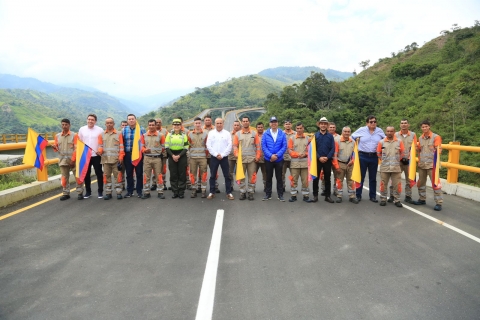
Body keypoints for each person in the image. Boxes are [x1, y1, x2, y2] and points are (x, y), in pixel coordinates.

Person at [351, 115, 385, 202]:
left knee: (373, 178)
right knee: (360, 177)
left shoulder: (379, 131)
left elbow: (385, 140)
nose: (373, 123)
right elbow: (352, 137)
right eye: (371, 122)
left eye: (374, 122)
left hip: (374, 156)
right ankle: (358, 195)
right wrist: (355, 146)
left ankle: (372, 196)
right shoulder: (361, 130)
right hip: (362, 156)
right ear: (367, 123)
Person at [413, 120, 443, 211]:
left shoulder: (436, 137)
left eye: (426, 126)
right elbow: (419, 150)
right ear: (421, 128)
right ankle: (422, 199)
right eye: (423, 127)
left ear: (429, 126)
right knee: (421, 183)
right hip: (422, 164)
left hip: (432, 165)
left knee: (435, 184)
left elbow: (439, 150)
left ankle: (439, 203)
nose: (424, 128)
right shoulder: (420, 138)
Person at [388, 119, 416, 204]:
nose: (404, 125)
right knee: (395, 179)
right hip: (397, 161)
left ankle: (408, 196)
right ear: (400, 125)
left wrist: (409, 158)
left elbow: (414, 148)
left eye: (405, 123)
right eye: (402, 123)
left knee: (409, 179)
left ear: (408, 125)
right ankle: (392, 195)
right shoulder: (395, 135)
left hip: (408, 161)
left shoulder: (413, 135)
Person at [233, 116, 261, 200]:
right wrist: (237, 155)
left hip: (252, 159)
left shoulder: (254, 134)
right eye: (244, 121)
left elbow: (258, 147)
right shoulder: (237, 134)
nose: (245, 122)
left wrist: (258, 156)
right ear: (241, 122)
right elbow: (235, 146)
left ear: (249, 122)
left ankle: (251, 192)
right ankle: (242, 192)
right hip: (241, 159)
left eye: (246, 121)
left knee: (252, 176)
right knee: (241, 177)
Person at [52, 119, 81, 200]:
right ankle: (65, 193)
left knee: (77, 177)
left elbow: (76, 149)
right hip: (62, 160)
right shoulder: (57, 136)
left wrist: (73, 160)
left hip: (73, 160)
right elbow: (56, 148)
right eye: (63, 124)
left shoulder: (74, 135)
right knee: (64, 178)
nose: (64, 126)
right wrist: (54, 147)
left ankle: (80, 192)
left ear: (69, 125)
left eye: (66, 124)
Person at [206, 118, 234, 200]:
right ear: (215, 124)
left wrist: (222, 155)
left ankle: (229, 192)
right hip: (214, 157)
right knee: (212, 175)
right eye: (217, 123)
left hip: (224, 157)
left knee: (227, 175)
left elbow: (229, 146)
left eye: (220, 123)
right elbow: (208, 145)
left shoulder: (227, 133)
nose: (219, 125)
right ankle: (212, 192)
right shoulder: (211, 133)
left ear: (223, 124)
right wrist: (215, 154)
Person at [97, 117, 125, 200]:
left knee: (118, 176)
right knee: (106, 177)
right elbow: (100, 146)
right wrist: (100, 151)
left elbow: (121, 147)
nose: (109, 124)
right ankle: (108, 193)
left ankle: (119, 192)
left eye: (111, 123)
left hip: (116, 160)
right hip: (105, 160)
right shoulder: (101, 135)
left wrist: (121, 157)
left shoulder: (119, 134)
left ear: (113, 124)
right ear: (105, 124)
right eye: (107, 123)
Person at [377, 126, 405, 207]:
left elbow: (402, 153)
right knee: (383, 184)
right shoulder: (381, 142)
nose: (389, 133)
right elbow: (378, 153)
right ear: (386, 132)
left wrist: (396, 160)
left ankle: (397, 200)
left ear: (394, 132)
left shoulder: (399, 142)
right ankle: (383, 199)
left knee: (397, 184)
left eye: (391, 131)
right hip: (385, 168)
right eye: (388, 131)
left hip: (396, 167)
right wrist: (384, 160)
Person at [77, 114, 104, 199]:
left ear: (95, 121)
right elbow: (79, 142)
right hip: (85, 155)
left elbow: (102, 142)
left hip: (96, 155)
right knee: (86, 174)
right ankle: (88, 191)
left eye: (92, 120)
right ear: (86, 120)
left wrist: (100, 151)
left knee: (99, 173)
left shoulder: (100, 130)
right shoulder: (82, 129)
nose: (90, 121)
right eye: (89, 119)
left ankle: (100, 191)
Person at [261, 116, 287, 201]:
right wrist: (270, 156)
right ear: (270, 124)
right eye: (272, 122)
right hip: (268, 159)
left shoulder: (282, 133)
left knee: (279, 178)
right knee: (269, 177)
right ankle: (268, 194)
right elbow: (264, 146)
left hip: (279, 160)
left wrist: (277, 155)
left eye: (275, 122)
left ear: (277, 123)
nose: (274, 123)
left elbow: (284, 146)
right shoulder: (266, 133)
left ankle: (280, 195)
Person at [311, 117, 336, 203]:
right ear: (319, 125)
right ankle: (315, 196)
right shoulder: (315, 136)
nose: (323, 125)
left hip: (327, 160)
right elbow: (313, 148)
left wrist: (327, 157)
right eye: (321, 123)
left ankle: (327, 196)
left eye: (325, 124)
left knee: (327, 178)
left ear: (327, 125)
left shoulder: (330, 136)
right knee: (315, 178)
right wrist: (319, 157)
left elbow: (333, 148)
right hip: (317, 160)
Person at [122, 114, 146, 198]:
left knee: (139, 173)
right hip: (128, 154)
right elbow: (122, 142)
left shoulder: (141, 129)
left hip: (138, 154)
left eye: (132, 119)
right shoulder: (124, 130)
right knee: (129, 173)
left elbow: (145, 141)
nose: (131, 120)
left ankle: (139, 191)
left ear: (135, 120)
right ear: (127, 121)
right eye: (129, 119)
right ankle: (130, 191)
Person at [141, 119, 166, 199]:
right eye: (150, 125)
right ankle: (146, 192)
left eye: (153, 125)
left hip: (157, 158)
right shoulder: (144, 135)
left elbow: (163, 146)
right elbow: (141, 146)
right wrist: (144, 150)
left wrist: (157, 151)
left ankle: (160, 192)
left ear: (156, 125)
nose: (151, 126)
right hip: (147, 158)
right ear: (148, 125)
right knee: (146, 176)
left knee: (158, 175)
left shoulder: (161, 135)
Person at [287, 122, 311, 202]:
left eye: (301, 128)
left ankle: (306, 195)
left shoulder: (308, 139)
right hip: (295, 164)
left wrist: (305, 154)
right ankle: (293, 195)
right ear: (296, 129)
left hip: (305, 164)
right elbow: (289, 150)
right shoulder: (292, 138)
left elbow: (310, 151)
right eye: (297, 128)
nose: (299, 130)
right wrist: (298, 154)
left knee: (305, 181)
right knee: (293, 180)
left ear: (303, 128)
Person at [334, 126, 358, 204]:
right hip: (340, 163)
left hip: (350, 164)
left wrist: (353, 161)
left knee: (351, 181)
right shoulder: (337, 141)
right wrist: (336, 166)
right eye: (345, 131)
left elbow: (355, 154)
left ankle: (352, 196)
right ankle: (339, 196)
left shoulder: (353, 142)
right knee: (339, 180)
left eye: (348, 132)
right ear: (342, 132)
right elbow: (334, 155)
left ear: (350, 133)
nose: (347, 133)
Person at [165, 118, 189, 198]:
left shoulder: (183, 135)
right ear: (172, 126)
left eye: (178, 125)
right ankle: (175, 191)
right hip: (172, 155)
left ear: (180, 126)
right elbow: (167, 147)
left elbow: (186, 147)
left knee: (182, 174)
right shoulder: (169, 135)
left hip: (181, 155)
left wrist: (179, 156)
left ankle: (181, 191)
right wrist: (172, 156)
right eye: (175, 125)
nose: (176, 126)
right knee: (173, 174)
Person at [188, 117, 208, 198]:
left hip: (203, 157)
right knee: (193, 174)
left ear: (201, 124)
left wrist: (205, 154)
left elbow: (207, 146)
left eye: (199, 123)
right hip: (193, 158)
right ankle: (194, 190)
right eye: (196, 123)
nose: (198, 125)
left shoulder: (206, 134)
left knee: (203, 174)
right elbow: (188, 145)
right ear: (194, 124)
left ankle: (203, 190)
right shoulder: (189, 134)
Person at [203, 115, 220, 194]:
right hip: (203, 155)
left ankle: (215, 186)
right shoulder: (201, 130)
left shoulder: (215, 129)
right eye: (206, 120)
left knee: (214, 171)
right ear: (204, 121)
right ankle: (201, 186)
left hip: (213, 154)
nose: (207, 121)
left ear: (211, 121)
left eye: (209, 120)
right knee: (202, 171)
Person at [151, 118, 168, 191]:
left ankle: (163, 183)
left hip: (163, 154)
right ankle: (154, 183)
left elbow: (167, 143)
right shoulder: (150, 131)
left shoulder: (165, 131)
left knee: (163, 170)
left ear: (161, 123)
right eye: (156, 122)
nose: (158, 123)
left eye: (159, 122)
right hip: (154, 154)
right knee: (155, 169)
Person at [282, 119, 296, 193]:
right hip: (283, 157)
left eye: (289, 124)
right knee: (282, 174)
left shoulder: (295, 134)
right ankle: (282, 187)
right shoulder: (281, 133)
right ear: (284, 125)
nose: (288, 125)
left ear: (291, 125)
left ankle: (293, 187)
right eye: (286, 124)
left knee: (293, 174)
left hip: (292, 158)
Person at [228, 120, 241, 191]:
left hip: (240, 156)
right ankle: (231, 185)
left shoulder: (241, 134)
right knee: (230, 172)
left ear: (240, 126)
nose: (236, 126)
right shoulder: (229, 134)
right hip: (231, 156)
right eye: (235, 125)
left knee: (239, 172)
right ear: (233, 126)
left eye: (237, 125)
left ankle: (241, 186)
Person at [255, 122, 266, 191]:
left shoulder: (267, 135)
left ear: (263, 128)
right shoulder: (253, 135)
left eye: (261, 127)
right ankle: (252, 188)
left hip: (265, 159)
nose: (260, 128)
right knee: (253, 174)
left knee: (266, 175)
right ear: (256, 128)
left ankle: (266, 187)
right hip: (256, 159)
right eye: (258, 127)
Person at [119, 120, 128, 190]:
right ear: (120, 126)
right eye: (123, 125)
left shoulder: (130, 134)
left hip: (128, 155)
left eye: (126, 125)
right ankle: (122, 185)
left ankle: (131, 185)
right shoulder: (118, 134)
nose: (124, 127)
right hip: (121, 156)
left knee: (130, 171)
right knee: (121, 171)